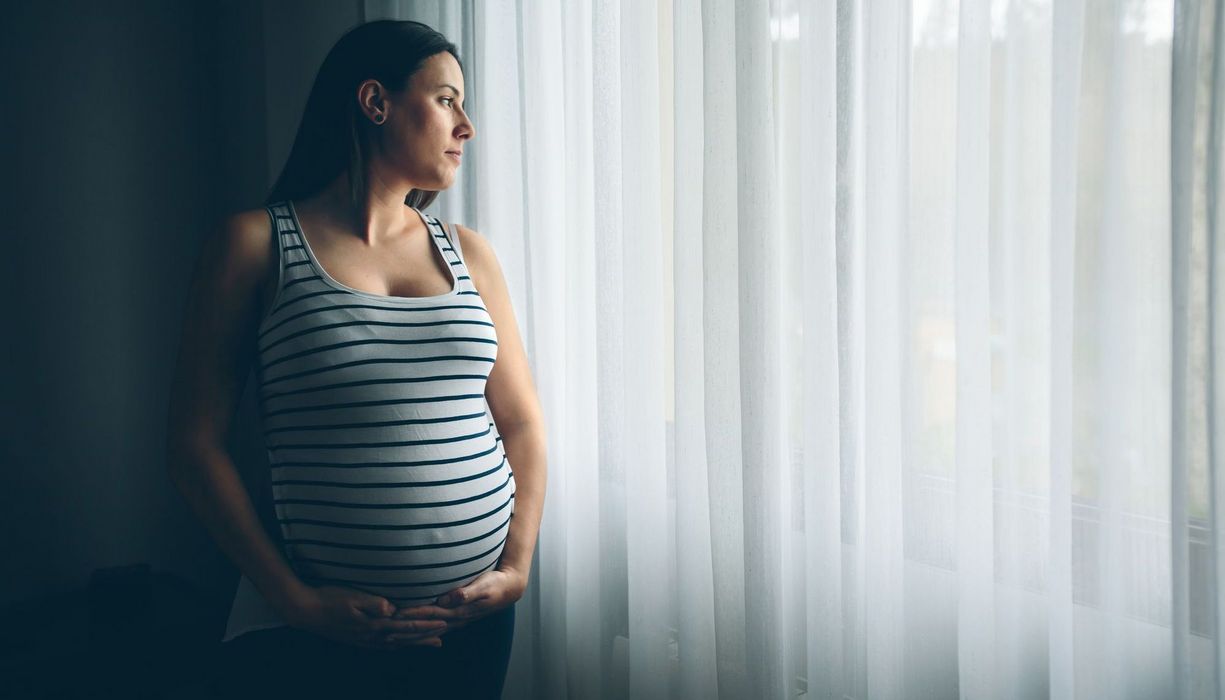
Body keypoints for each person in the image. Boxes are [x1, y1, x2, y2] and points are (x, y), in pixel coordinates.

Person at [164, 19, 547, 699]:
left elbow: (521, 425)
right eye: (446, 100)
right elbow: (194, 445)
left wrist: (515, 566)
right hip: (325, 632)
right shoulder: (254, 245)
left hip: (476, 621)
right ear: (376, 103)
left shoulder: (469, 252)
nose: (467, 127)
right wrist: (293, 601)